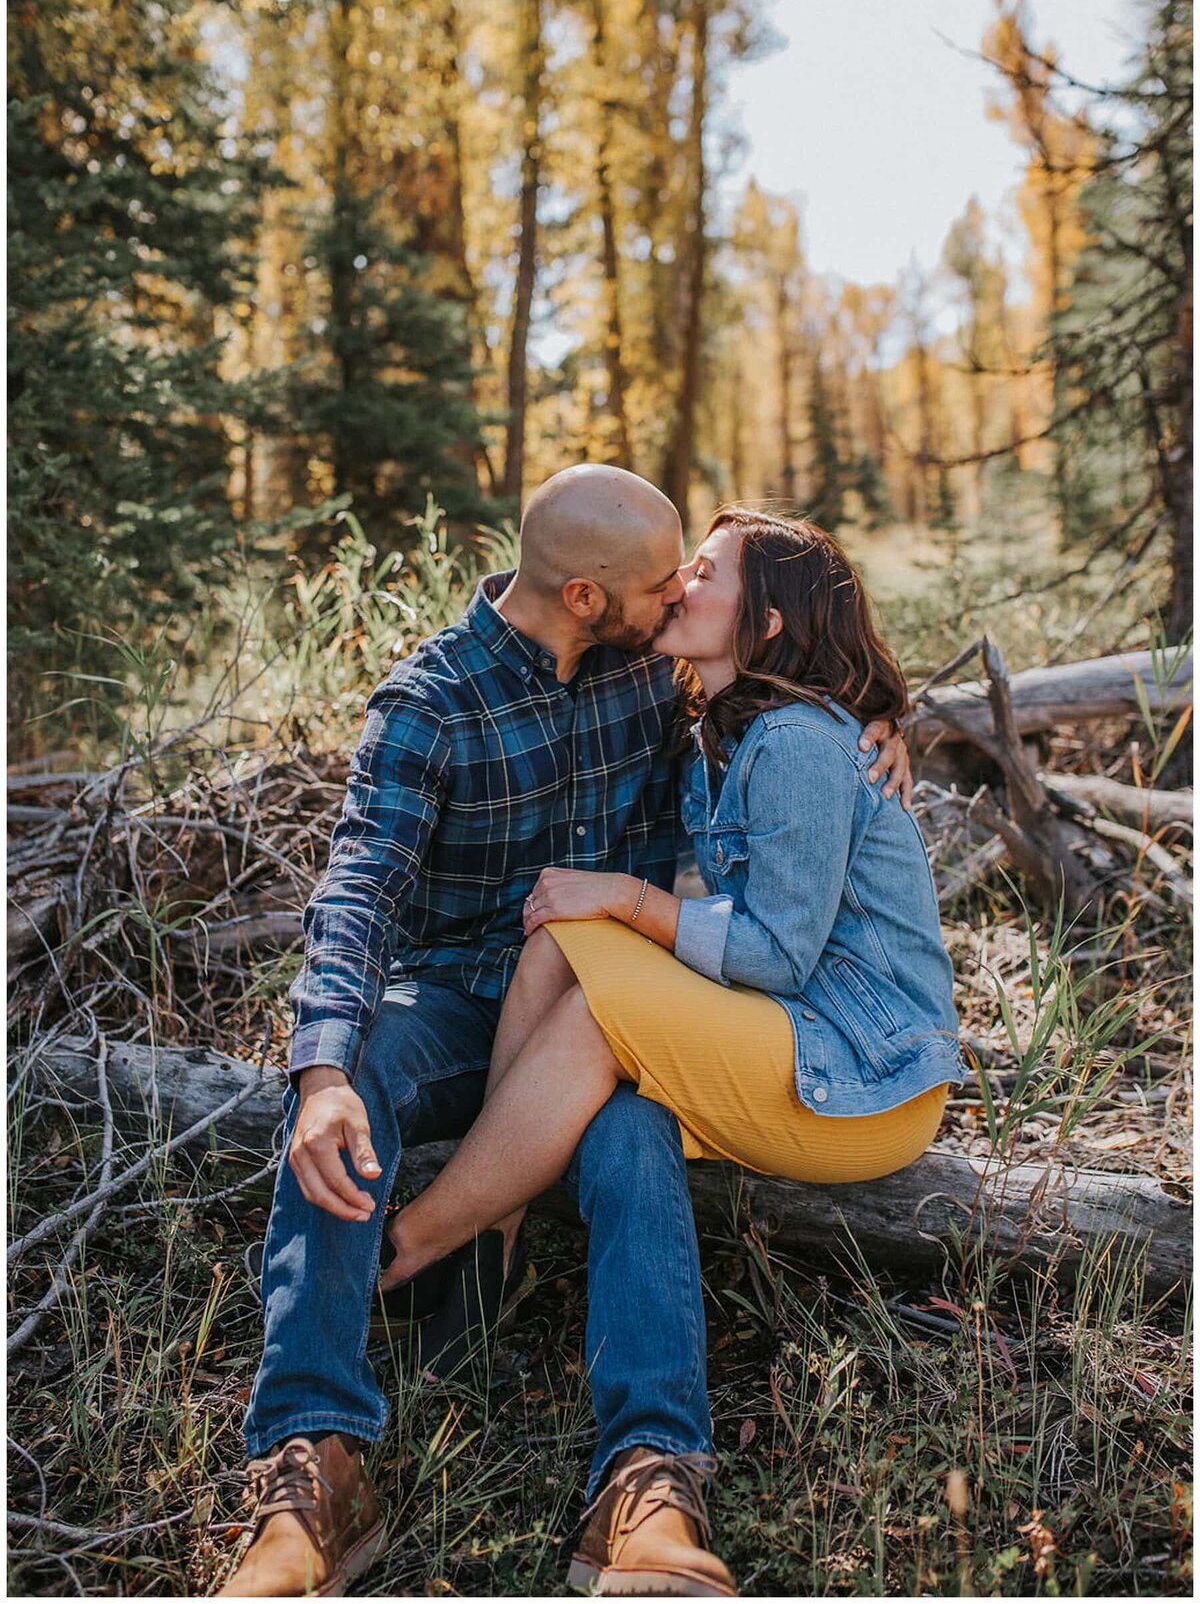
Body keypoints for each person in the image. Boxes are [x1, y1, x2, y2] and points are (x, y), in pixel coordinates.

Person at [216, 470, 912, 1599]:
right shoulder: (430, 702)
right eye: (659, 579)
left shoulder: (652, 671)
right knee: (358, 1084)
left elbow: (795, 676)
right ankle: (315, 1463)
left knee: (633, 1128)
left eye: (692, 572)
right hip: (454, 1002)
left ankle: (647, 1486)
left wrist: (881, 726)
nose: (680, 589)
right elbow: (358, 893)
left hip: (612, 1001)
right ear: (587, 594)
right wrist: (323, 1068)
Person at [376, 507, 968, 1590]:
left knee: (586, 940)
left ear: (770, 618)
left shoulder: (791, 740)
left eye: (704, 571)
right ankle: (646, 1486)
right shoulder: (725, 722)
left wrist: (631, 894)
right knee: (586, 989)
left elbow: (781, 954)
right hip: (793, 1047)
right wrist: (891, 712)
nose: (679, 582)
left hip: (858, 1074)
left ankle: (416, 1242)